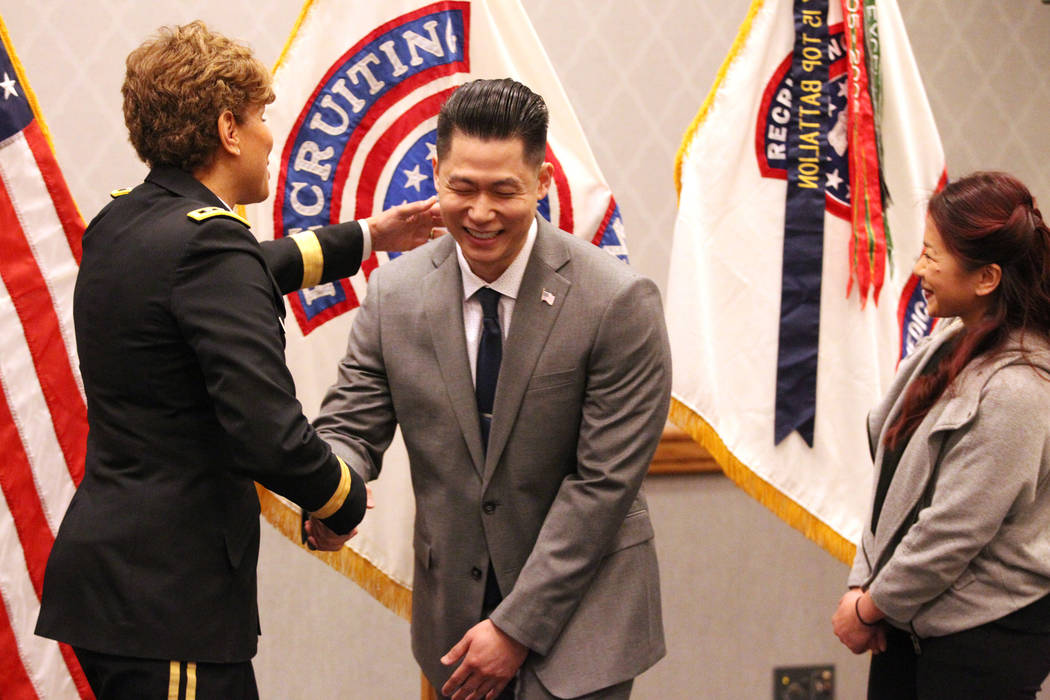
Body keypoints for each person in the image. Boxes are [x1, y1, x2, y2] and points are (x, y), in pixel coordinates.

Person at [35, 21, 439, 699]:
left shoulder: (123, 223)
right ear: (228, 128)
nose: (268, 136)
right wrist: (341, 499)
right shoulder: (210, 247)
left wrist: (370, 235)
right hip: (174, 608)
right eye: (260, 117)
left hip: (113, 590)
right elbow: (269, 434)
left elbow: (247, 264)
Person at [311, 78, 670, 700]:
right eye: (462, 188)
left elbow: (604, 484)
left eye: (504, 190)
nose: (480, 213)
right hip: (452, 627)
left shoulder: (617, 302)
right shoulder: (394, 296)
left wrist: (516, 626)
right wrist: (328, 494)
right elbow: (349, 426)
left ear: (542, 182)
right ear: (435, 174)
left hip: (584, 627)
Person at [832, 171, 1050, 699]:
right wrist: (867, 585)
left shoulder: (1020, 385)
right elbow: (891, 486)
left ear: (986, 277)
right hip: (906, 626)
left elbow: (952, 531)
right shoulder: (949, 342)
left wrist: (869, 606)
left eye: (932, 256)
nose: (918, 270)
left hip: (978, 649)